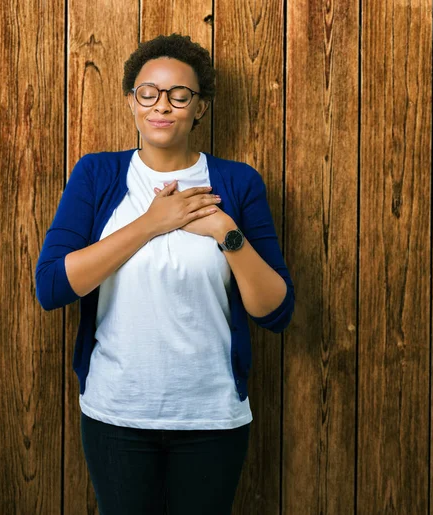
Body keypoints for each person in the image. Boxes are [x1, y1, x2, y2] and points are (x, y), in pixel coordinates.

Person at [35, 33, 295, 515]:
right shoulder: (97, 175)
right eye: (148, 92)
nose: (163, 106)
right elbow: (52, 286)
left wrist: (226, 232)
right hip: (117, 415)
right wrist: (153, 223)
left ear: (199, 108)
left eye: (180, 95)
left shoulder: (237, 183)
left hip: (212, 416)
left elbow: (275, 311)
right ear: (132, 101)